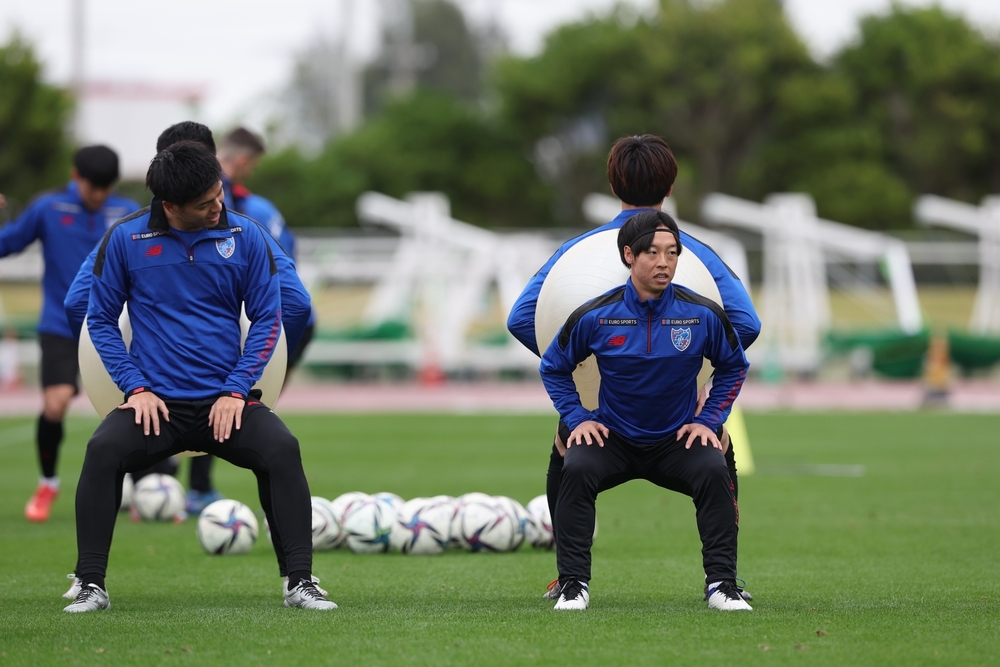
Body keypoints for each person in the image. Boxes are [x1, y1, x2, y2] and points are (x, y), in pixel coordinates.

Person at [62, 140, 334, 612]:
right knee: (102, 450)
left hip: (225, 403)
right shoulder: (125, 239)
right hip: (156, 406)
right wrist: (135, 388)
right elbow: (99, 320)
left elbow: (268, 318)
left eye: (219, 195)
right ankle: (90, 584)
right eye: (205, 204)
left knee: (282, 449)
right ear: (169, 206)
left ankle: (300, 582)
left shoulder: (246, 235)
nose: (217, 208)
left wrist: (237, 390)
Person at [506, 134, 760, 602]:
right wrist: (688, 372)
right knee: (715, 446)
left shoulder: (577, 250)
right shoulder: (694, 251)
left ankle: (565, 579)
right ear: (671, 185)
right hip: (657, 410)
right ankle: (719, 579)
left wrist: (590, 379)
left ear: (611, 184)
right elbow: (746, 324)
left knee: (566, 443)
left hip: (608, 406)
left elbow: (523, 319)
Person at [539, 210, 751, 611]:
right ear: (628, 256)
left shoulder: (702, 314)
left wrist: (708, 421)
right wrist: (578, 418)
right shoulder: (596, 315)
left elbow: (734, 365)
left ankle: (722, 585)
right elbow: (553, 366)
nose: (664, 262)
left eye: (672, 252)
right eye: (652, 252)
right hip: (614, 438)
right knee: (577, 466)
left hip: (675, 440)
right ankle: (572, 584)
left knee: (713, 467)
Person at [0, 146, 140, 522]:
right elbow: (7, 243)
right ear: (75, 176)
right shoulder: (47, 207)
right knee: (55, 403)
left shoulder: (127, 211)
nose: (99, 195)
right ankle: (48, 483)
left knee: (136, 401)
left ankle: (146, 486)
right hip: (60, 325)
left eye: (106, 188)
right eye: (93, 187)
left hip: (115, 326)